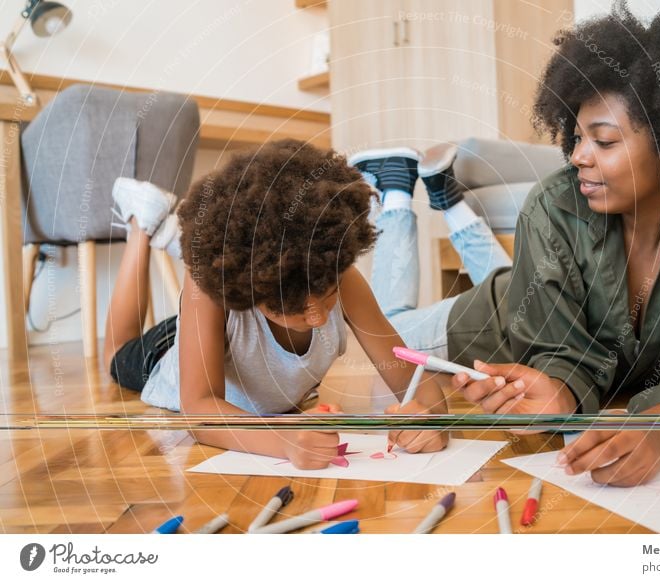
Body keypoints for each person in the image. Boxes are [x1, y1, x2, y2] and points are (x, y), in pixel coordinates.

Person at [354, 2, 660, 486]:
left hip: (540, 284)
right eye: (578, 136)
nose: (579, 156)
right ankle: (397, 196)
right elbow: (560, 351)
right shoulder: (554, 203)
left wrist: (656, 429)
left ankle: (451, 205)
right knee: (383, 332)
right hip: (501, 324)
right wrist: (559, 391)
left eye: (604, 142)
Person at [103, 139, 448, 470]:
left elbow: (414, 379)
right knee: (115, 355)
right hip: (164, 358)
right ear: (248, 290)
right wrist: (283, 440)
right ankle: (140, 227)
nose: (316, 319)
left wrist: (429, 418)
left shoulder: (342, 277)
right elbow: (200, 412)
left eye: (326, 297)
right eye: (293, 309)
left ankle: (173, 238)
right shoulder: (209, 293)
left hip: (224, 331)